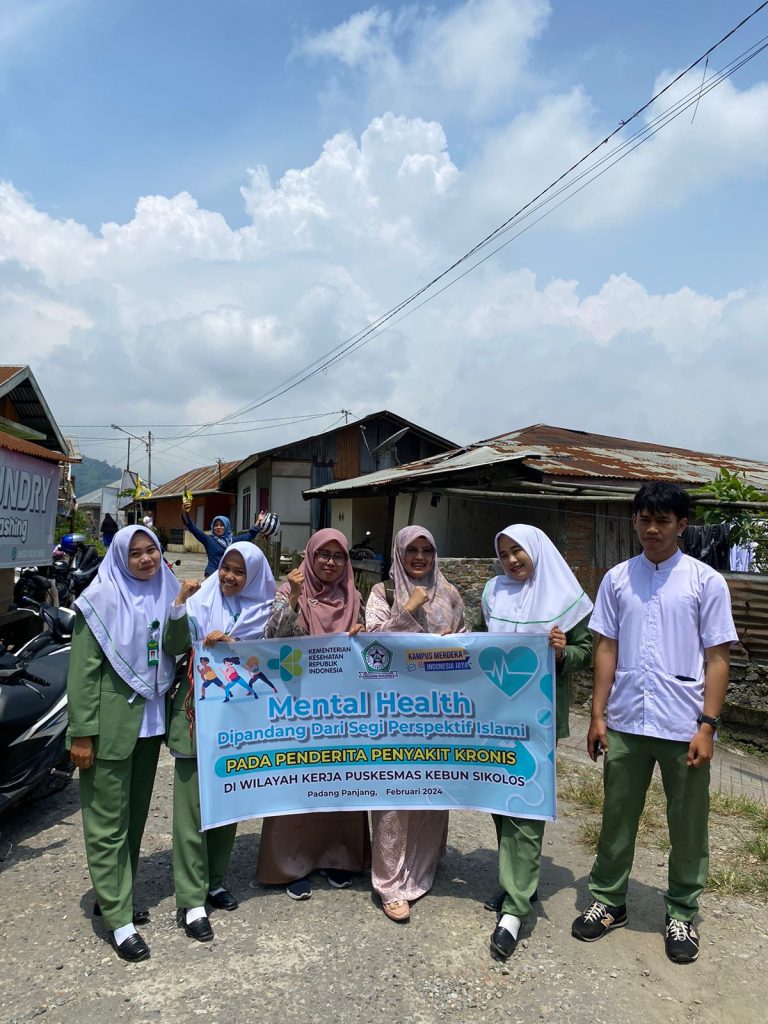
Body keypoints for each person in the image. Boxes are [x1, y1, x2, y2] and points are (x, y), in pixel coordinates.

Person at [571, 482, 738, 965]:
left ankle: (682, 911)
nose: (651, 529)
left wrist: (707, 725)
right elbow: (606, 647)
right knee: (616, 817)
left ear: (682, 525)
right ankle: (609, 900)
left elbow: (718, 658)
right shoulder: (617, 579)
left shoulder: (706, 582)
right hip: (626, 721)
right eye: (644, 519)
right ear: (634, 521)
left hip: (683, 724)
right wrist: (597, 715)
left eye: (662, 521)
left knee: (687, 826)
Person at [66, 525, 180, 963]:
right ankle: (119, 919)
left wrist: (185, 612)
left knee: (133, 818)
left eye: (152, 550)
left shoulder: (167, 588)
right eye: (136, 553)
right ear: (119, 558)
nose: (147, 559)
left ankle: (112, 893)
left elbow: (178, 643)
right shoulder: (99, 602)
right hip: (110, 728)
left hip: (150, 725)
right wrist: (81, 733)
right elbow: (83, 673)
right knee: (107, 822)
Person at [482, 524, 593, 960]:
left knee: (525, 805)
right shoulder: (493, 593)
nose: (512, 560)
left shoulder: (564, 595)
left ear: (537, 551)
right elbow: (479, 644)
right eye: (504, 553)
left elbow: (587, 652)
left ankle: (515, 908)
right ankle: (515, 883)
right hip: (494, 717)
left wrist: (563, 651)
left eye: (518, 551)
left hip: (537, 720)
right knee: (499, 800)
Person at [165, 542, 276, 942]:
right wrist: (180, 607)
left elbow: (278, 654)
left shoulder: (264, 612)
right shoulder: (200, 602)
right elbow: (174, 646)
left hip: (239, 720)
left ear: (254, 576)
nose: (229, 576)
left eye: (240, 571)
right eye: (226, 567)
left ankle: (214, 881)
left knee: (227, 804)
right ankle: (191, 899)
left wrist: (238, 645)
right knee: (192, 810)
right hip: (196, 716)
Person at [256, 528, 370, 899]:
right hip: (299, 706)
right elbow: (271, 642)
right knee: (297, 783)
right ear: (310, 555)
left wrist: (362, 634)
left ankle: (340, 858)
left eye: (338, 556)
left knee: (339, 781)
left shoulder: (354, 597)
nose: (330, 563)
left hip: (341, 709)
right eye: (323, 554)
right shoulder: (288, 591)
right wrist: (292, 596)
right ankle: (292, 865)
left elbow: (368, 651)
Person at [365, 525, 466, 922]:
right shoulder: (383, 592)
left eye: (427, 549)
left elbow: (467, 644)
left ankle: (422, 867)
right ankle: (389, 883)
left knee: (430, 789)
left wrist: (454, 643)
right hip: (392, 709)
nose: (420, 557)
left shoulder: (451, 593)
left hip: (437, 710)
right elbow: (372, 647)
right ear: (399, 552)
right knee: (392, 794)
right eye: (413, 549)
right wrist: (408, 609)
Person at [180, 500, 272, 578]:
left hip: (227, 577)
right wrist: (185, 512)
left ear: (227, 527)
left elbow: (249, 536)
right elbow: (193, 528)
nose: (218, 527)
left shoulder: (232, 541)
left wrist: (259, 520)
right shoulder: (208, 540)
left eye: (221, 525)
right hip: (211, 575)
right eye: (216, 525)